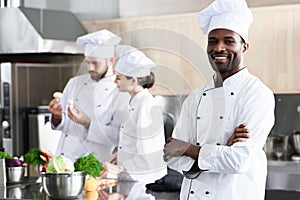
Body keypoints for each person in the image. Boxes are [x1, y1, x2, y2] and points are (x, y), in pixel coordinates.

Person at [163, 0, 275, 200]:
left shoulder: (257, 94)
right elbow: (172, 156)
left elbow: (239, 161)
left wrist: (189, 149)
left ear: (244, 47)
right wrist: (220, 150)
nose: (219, 47)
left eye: (229, 41)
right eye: (213, 41)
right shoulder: (196, 97)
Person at [48, 30, 129, 162]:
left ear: (110, 61)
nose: (90, 68)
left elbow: (117, 136)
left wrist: (86, 122)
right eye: (87, 62)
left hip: (93, 163)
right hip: (64, 158)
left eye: (95, 63)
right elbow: (63, 124)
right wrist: (56, 117)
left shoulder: (120, 90)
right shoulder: (75, 83)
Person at [108, 45, 167, 184]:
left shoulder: (145, 106)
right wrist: (120, 155)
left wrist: (122, 167)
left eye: (118, 78)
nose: (114, 81)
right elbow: (135, 142)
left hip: (146, 181)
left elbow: (148, 152)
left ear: (133, 80)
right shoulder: (135, 102)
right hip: (134, 177)